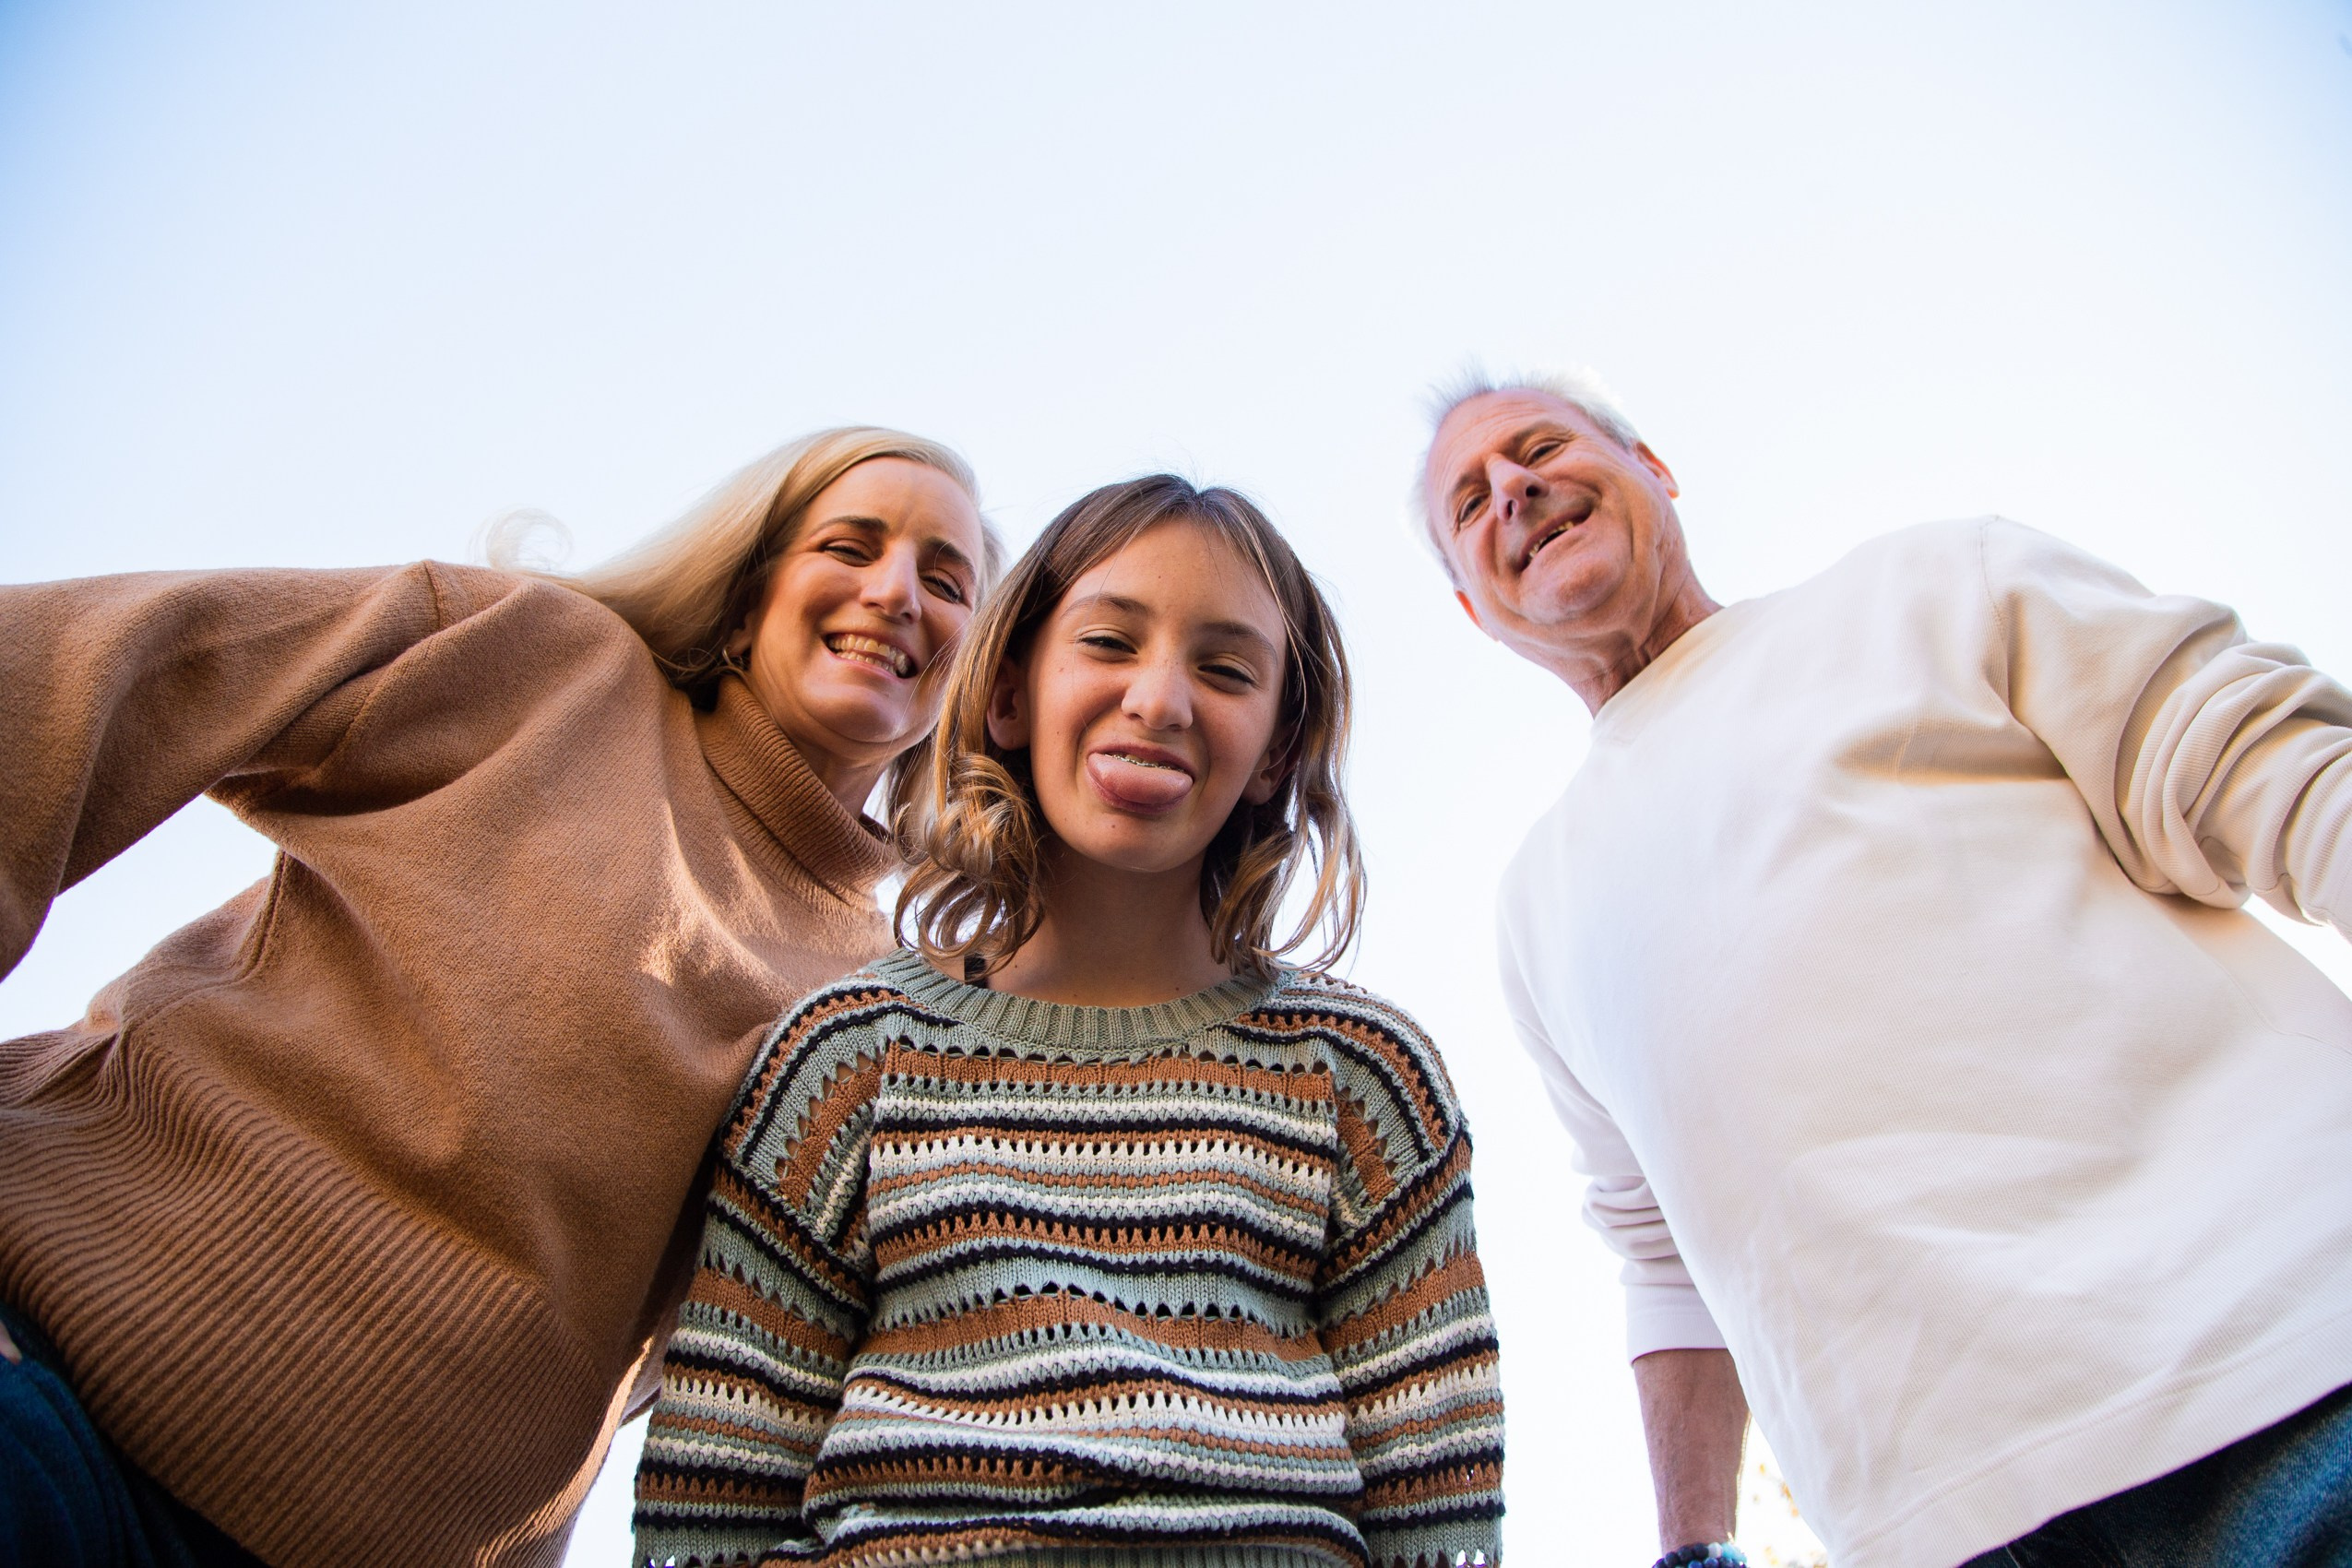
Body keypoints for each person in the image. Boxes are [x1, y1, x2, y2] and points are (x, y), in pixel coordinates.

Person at [0, 426, 1004, 1568]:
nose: (894, 593)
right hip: (45, 1399)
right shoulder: (542, 664)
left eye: (946, 579)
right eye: (850, 543)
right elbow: (108, 662)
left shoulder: (893, 1010)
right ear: (745, 598)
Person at [1418, 372, 2352, 1568]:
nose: (1514, 490)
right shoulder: (1533, 910)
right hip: (1939, 1532)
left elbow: (2258, 766)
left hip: (2284, 1361)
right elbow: (1661, 1254)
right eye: (1469, 500)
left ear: (1653, 468)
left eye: (1539, 447)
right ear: (1469, 608)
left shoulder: (1923, 587)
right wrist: (1691, 1550)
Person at [630, 476, 1507, 1568]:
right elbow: (714, 1498)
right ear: (1009, 694)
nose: (1159, 698)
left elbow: (1440, 1508)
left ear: (1277, 749)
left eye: (1225, 668)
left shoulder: (1365, 1078)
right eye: (1108, 641)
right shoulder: (848, 1057)